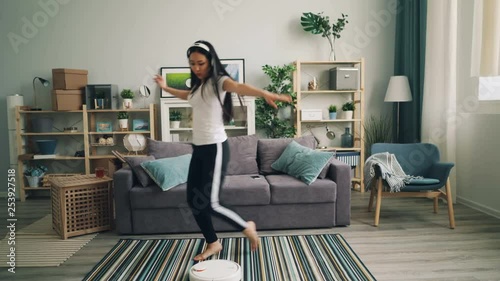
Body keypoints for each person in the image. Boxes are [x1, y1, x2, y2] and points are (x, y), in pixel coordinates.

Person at [154, 40, 292, 261]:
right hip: (199, 149)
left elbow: (239, 87)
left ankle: (246, 227)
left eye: (200, 63)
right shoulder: (198, 87)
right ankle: (213, 243)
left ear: (210, 61)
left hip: (215, 149)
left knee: (210, 202)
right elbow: (185, 95)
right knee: (192, 200)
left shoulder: (219, 82)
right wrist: (164, 88)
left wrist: (266, 93)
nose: (196, 68)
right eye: (192, 64)